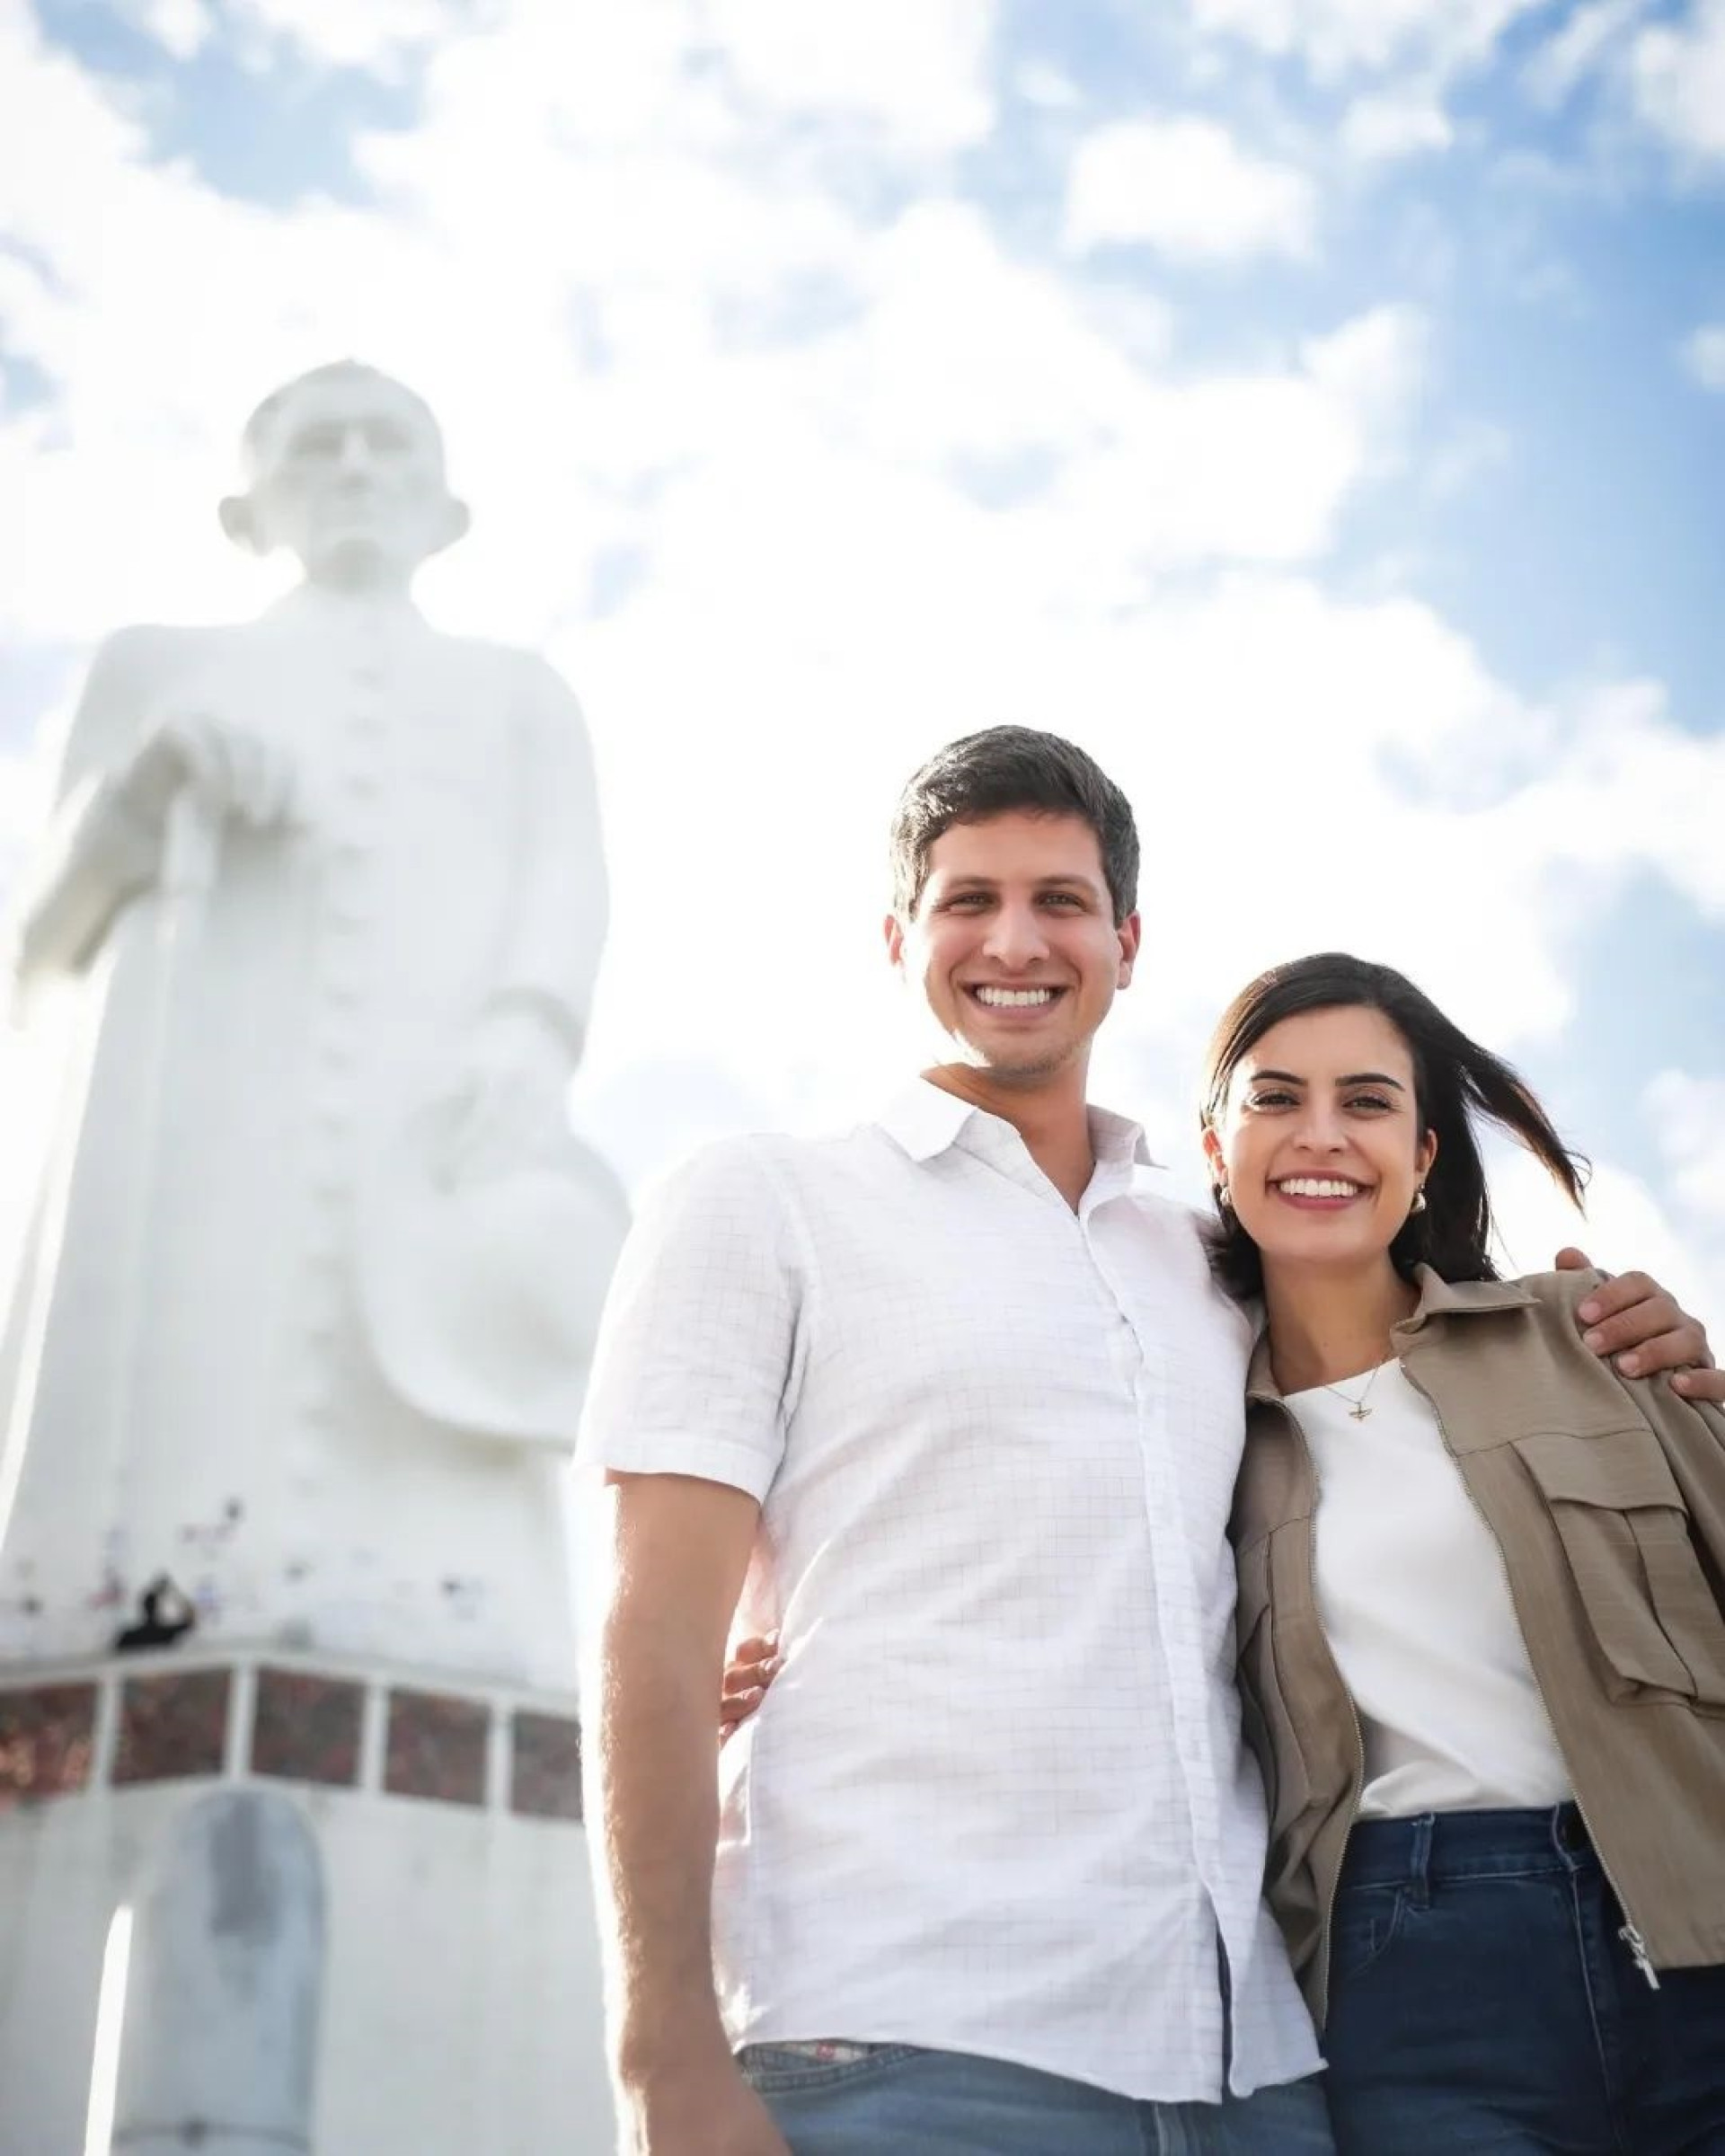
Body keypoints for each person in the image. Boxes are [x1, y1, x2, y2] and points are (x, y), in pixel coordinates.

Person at [580, 728, 1717, 2156]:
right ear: (895, 939)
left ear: (1124, 941)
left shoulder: (1208, 1263)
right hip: (907, 2043)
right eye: (966, 899)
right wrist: (662, 2060)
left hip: (1252, 2072)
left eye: (1060, 900)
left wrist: (1629, 1339)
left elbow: (1401, 1402)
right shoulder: (761, 1203)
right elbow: (649, 1649)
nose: (1015, 940)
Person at [0, 360, 615, 1686]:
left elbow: (568, 883)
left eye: (387, 446)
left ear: (443, 507)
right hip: (199, 1114)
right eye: (318, 447)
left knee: (435, 1374)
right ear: (248, 507)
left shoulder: (519, 693)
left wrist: (528, 1029)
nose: (353, 471)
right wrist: (147, 786)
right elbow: (38, 940)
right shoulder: (158, 667)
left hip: (436, 1106)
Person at [1201, 952, 1725, 2153]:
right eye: (1275, 1098)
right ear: (1217, 1150)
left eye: (1368, 1102)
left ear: (1425, 1155)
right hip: (1414, 1983)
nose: (1320, 1135)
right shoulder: (1191, 1434)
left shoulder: (1589, 1337)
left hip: (1697, 1917)